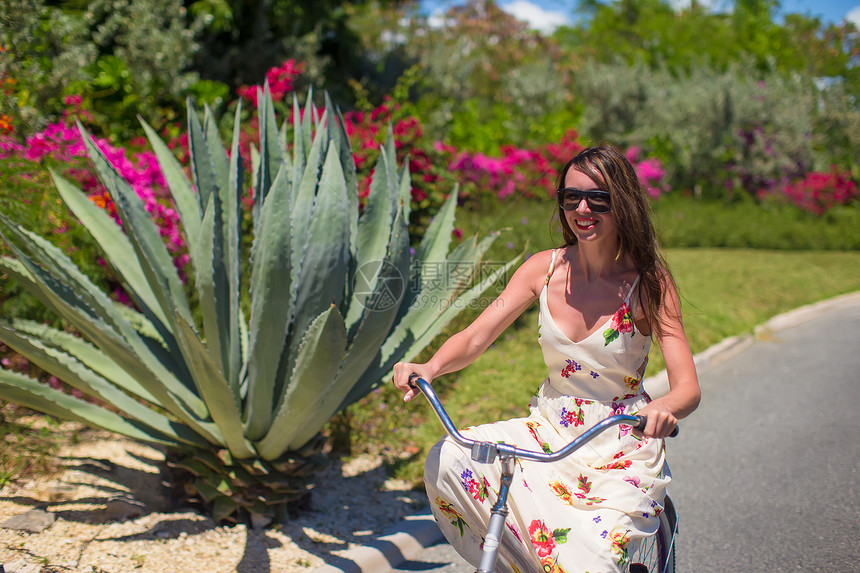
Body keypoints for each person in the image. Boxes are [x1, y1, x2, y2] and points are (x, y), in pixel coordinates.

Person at [392, 144, 701, 573]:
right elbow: (477, 336)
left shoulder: (648, 282)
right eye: (571, 197)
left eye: (599, 198)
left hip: (618, 441)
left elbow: (687, 386)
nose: (582, 208)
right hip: (548, 428)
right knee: (449, 459)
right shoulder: (545, 268)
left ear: (623, 203)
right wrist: (429, 368)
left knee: (587, 563)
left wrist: (663, 408)